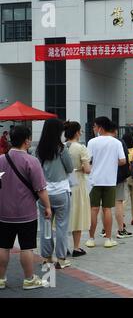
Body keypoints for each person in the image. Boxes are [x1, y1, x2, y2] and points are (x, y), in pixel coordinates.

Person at [0, 126, 51, 289]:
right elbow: (41, 189)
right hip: (26, 213)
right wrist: (48, 207)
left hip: (3, 212)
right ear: (26, 141)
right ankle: (29, 279)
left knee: (3, 246)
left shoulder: (1, 159)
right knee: (27, 247)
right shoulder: (31, 161)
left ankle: (0, 279)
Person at [36, 118, 74, 269]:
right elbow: (70, 168)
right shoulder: (62, 149)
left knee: (45, 226)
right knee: (61, 226)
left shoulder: (38, 149)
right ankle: (61, 258)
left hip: (44, 193)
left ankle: (46, 258)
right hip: (61, 192)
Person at [85, 117, 126, 249]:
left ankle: (91, 239)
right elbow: (123, 161)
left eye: (95, 126)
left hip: (94, 180)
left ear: (101, 128)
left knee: (94, 209)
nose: (94, 129)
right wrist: (112, 162)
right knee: (107, 209)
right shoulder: (116, 143)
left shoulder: (92, 142)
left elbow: (88, 159)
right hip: (110, 180)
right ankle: (108, 239)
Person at [64, 121, 91, 257]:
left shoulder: (61, 147)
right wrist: (78, 168)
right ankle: (76, 247)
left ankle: (63, 247)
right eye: (80, 131)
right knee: (78, 214)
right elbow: (87, 169)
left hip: (63, 185)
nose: (81, 133)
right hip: (78, 184)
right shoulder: (80, 148)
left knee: (64, 217)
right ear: (76, 132)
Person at [109, 124, 132, 239]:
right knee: (118, 202)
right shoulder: (119, 142)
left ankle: (105, 230)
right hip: (118, 176)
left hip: (103, 178)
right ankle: (120, 230)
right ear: (115, 131)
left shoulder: (95, 142)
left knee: (105, 205)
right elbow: (125, 161)